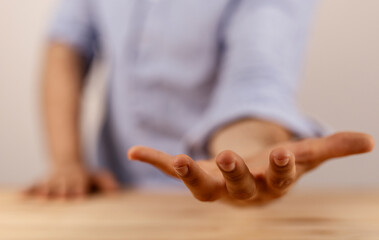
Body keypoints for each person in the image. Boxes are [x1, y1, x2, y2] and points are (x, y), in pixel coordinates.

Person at [25, 0, 374, 205]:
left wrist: (244, 161)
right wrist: (68, 162)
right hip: (111, 193)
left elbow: (255, 84)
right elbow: (67, 45)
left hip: (218, 209)